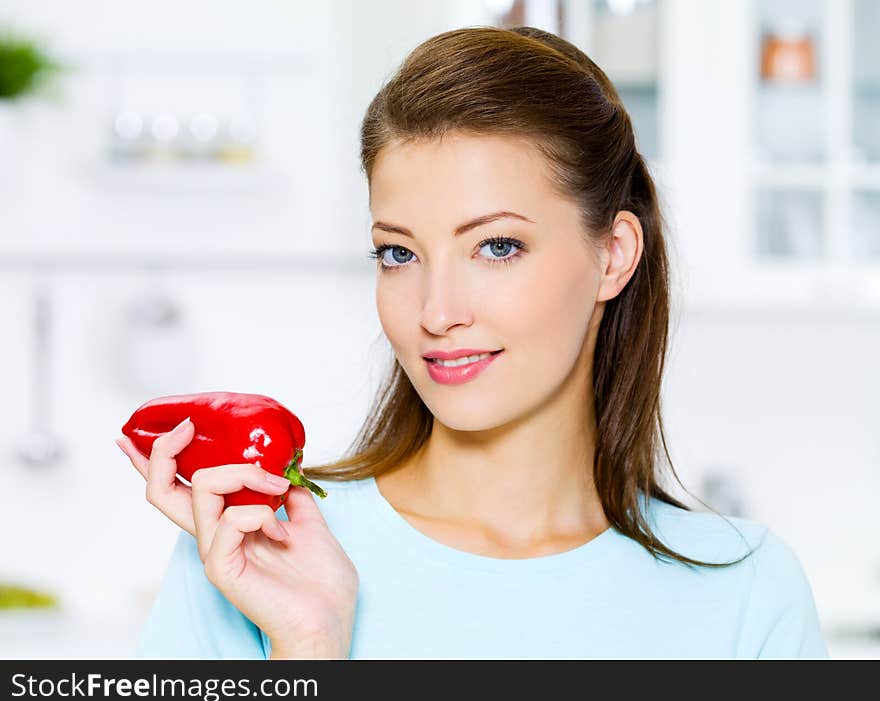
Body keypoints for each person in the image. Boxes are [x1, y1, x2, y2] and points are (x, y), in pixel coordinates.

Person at [117, 26, 828, 659]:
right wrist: (308, 649)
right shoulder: (256, 550)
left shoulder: (745, 593)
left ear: (612, 255)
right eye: (399, 254)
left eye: (496, 246)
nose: (436, 311)